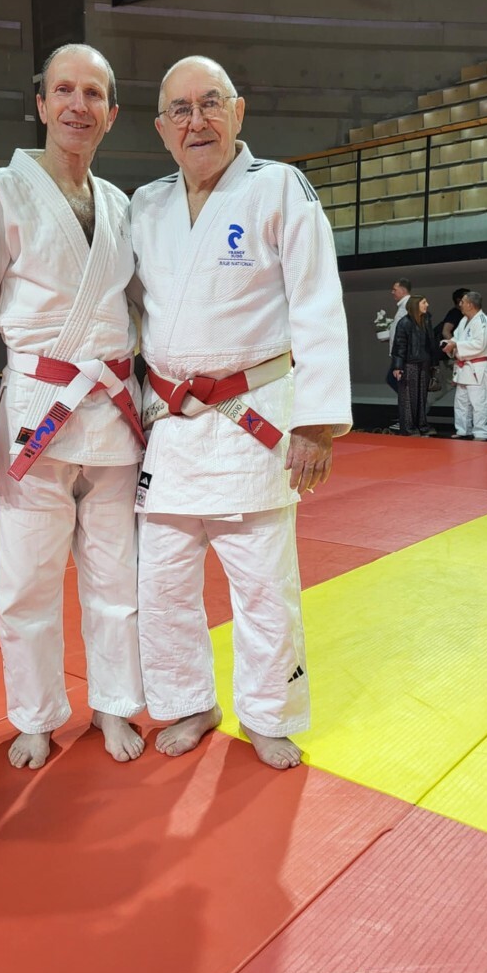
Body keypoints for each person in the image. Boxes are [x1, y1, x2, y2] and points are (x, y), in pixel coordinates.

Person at [0, 44, 146, 770]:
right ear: (43, 103)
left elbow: (145, 312)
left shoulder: (121, 207)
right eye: (65, 90)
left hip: (112, 415)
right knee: (27, 581)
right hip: (35, 417)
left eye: (94, 93)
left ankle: (114, 702)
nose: (79, 105)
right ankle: (35, 715)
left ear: (111, 113)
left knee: (117, 579)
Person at [129, 55, 351, 770]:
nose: (197, 121)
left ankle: (268, 713)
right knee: (162, 586)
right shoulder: (145, 206)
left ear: (238, 112)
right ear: (162, 128)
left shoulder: (279, 188)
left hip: (251, 421)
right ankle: (190, 701)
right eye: (181, 109)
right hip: (170, 427)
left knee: (263, 588)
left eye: (211, 103)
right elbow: (127, 312)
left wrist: (315, 423)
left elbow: (317, 303)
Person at [443, 290, 487, 440]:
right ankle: (463, 430)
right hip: (463, 366)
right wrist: (449, 344)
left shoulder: (484, 321)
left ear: (470, 305)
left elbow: (480, 344)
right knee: (461, 401)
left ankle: (481, 432)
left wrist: (455, 345)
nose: (460, 304)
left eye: (463, 302)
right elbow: (456, 338)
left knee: (478, 402)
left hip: (477, 366)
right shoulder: (464, 320)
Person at [392, 294, 436, 435]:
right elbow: (399, 346)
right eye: (424, 302)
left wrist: (434, 363)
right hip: (409, 364)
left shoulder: (426, 321)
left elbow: (431, 343)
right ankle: (408, 428)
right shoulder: (404, 323)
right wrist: (398, 367)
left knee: (422, 397)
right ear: (416, 305)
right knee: (408, 398)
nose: (427, 304)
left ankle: (421, 425)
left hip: (424, 363)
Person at [386, 279, 411, 395]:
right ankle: (409, 402)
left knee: (395, 380)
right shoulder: (403, 306)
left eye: (394, 290)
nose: (392, 292)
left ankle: (410, 402)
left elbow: (408, 330)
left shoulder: (407, 305)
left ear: (402, 290)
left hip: (402, 353)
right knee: (396, 380)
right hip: (400, 352)